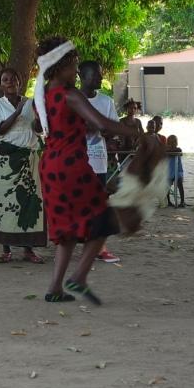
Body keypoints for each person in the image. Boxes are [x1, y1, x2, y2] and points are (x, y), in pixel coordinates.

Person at [35, 38, 135, 305]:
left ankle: (55, 287)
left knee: (65, 231)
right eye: (74, 65)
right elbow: (102, 122)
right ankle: (78, 277)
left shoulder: (42, 97)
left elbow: (51, 125)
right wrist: (137, 133)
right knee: (105, 219)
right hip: (71, 165)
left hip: (50, 166)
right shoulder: (71, 95)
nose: (76, 70)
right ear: (61, 66)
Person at [0, 67, 46, 263]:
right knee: (5, 204)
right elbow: (0, 130)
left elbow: (38, 130)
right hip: (7, 162)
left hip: (30, 159)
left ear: (20, 82)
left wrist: (39, 118)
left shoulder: (32, 103)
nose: (10, 82)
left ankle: (28, 249)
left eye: (13, 79)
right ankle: (6, 249)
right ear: (1, 84)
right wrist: (19, 110)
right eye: (5, 79)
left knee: (30, 202)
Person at [77, 60, 122, 264]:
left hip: (98, 161)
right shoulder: (71, 100)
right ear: (82, 77)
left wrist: (108, 132)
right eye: (96, 75)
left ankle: (99, 247)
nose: (101, 78)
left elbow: (113, 129)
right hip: (75, 162)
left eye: (100, 74)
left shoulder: (106, 102)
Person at [165, 134, 185, 207]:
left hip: (178, 170)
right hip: (169, 171)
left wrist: (170, 150)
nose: (172, 143)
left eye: (174, 142)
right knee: (167, 186)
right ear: (167, 143)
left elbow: (179, 151)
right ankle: (168, 201)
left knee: (180, 184)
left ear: (176, 143)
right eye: (170, 142)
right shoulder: (166, 150)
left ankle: (182, 201)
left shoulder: (178, 149)